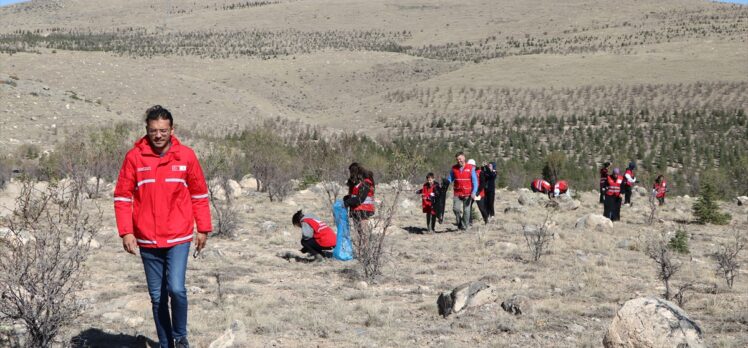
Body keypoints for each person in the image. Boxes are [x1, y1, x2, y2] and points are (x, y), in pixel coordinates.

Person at [113, 105, 211, 348]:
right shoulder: (134, 157)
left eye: (163, 130)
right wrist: (126, 231)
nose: (158, 135)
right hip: (147, 239)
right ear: (147, 130)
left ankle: (180, 337)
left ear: (172, 130)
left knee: (176, 289)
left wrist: (204, 229)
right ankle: (166, 344)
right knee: (157, 298)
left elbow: (199, 194)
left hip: (178, 237)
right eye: (153, 130)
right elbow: (123, 197)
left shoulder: (186, 156)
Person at [446, 152, 478, 230]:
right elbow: (450, 179)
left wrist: (474, 192)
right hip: (457, 193)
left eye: (460, 159)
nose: (459, 161)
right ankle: (460, 222)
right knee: (455, 209)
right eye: (457, 159)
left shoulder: (470, 168)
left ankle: (464, 226)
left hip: (468, 193)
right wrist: (445, 183)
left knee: (467, 211)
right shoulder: (454, 168)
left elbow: (475, 181)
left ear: (464, 158)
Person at [344, 162, 375, 230]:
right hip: (356, 210)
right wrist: (347, 198)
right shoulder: (358, 183)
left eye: (351, 172)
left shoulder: (366, 182)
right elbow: (355, 195)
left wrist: (347, 202)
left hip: (364, 211)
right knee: (358, 233)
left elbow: (361, 198)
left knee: (363, 234)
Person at [470, 159, 489, 224]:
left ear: (474, 166)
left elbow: (482, 183)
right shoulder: (468, 172)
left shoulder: (480, 172)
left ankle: (486, 219)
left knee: (481, 208)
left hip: (479, 193)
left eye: (471, 166)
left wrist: (477, 192)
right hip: (471, 193)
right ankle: (469, 221)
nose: (470, 167)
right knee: (468, 207)